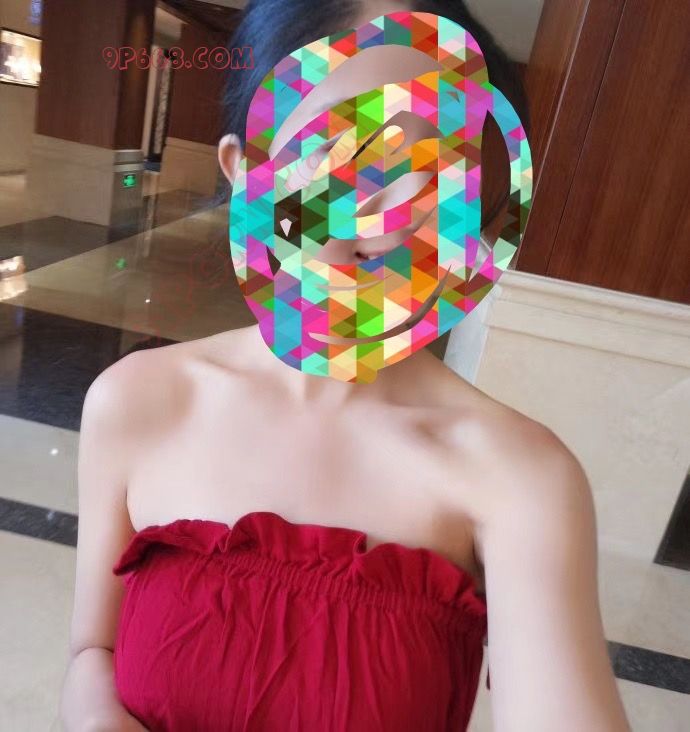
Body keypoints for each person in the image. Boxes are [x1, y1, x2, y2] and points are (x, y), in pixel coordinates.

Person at [60, 1, 630, 730]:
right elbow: (94, 649)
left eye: (440, 175)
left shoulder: (518, 478)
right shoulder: (137, 401)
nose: (393, 216)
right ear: (248, 172)